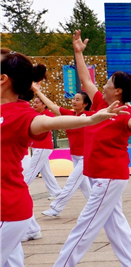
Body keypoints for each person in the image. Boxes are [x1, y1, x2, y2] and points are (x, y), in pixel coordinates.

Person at [1, 49, 124, 267]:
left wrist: (91, 118)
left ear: (3, 80)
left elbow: (49, 120)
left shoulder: (20, 115)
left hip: (8, 211)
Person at [37, 31, 131, 267]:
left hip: (110, 176)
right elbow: (85, 78)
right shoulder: (99, 104)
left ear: (118, 90)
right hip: (100, 174)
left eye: (109, 81)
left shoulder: (125, 112)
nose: (103, 84)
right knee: (115, 224)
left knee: (86, 223)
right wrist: (78, 52)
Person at [35, 88, 93, 217]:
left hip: (87, 157)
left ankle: (56, 208)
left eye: (78, 100)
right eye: (74, 99)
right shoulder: (70, 116)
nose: (74, 101)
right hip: (75, 156)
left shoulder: (91, 116)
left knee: (71, 182)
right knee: (84, 186)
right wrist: (37, 91)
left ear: (85, 104)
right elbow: (52, 106)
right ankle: (95, 207)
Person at [23, 95, 62, 200]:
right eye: (34, 102)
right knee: (45, 172)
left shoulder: (48, 115)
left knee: (32, 170)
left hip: (43, 147)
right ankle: (56, 191)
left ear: (44, 104)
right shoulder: (35, 114)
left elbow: (57, 121)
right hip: (37, 147)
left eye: (37, 102)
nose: (34, 104)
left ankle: (21, 189)